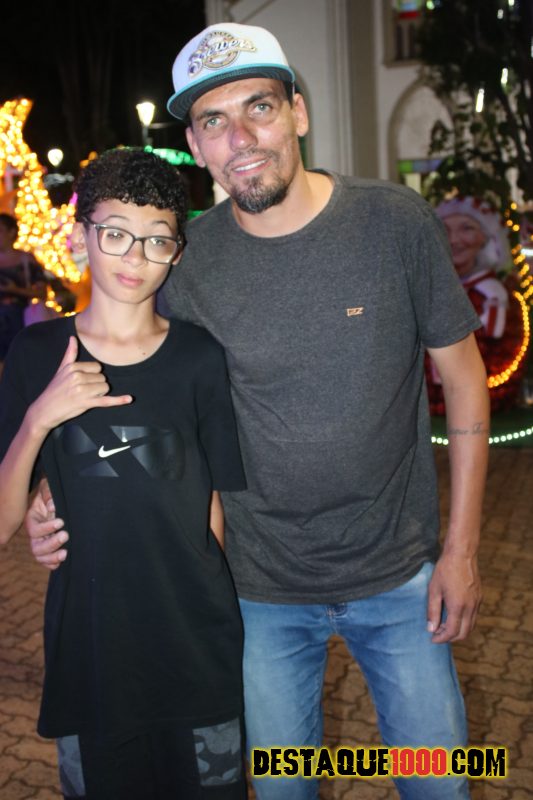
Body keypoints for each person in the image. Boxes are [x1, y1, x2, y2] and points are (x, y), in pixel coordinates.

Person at [26, 23, 489, 800]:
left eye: (259, 108)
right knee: (281, 790)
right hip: (255, 592)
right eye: (214, 121)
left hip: (401, 578)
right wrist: (52, 489)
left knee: (439, 784)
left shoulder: (393, 223)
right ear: (195, 146)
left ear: (298, 113)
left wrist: (462, 550)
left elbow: (465, 380)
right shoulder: (185, 259)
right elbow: (123, 373)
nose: (240, 138)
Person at [0, 148, 247, 800]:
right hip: (91, 652)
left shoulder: (199, 358)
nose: (135, 257)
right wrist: (39, 420)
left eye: (156, 240)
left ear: (176, 252)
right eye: (115, 233)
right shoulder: (37, 353)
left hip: (195, 649)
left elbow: (212, 510)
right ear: (82, 235)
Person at [427, 196, 525, 414]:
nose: (454, 240)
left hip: (482, 397)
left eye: (467, 228)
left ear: (486, 237)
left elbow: (494, 347)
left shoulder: (493, 293)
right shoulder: (433, 288)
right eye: (446, 230)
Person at [0, 212, 47, 373]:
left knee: (17, 363)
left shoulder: (25, 260)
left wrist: (15, 290)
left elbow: (42, 293)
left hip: (17, 319)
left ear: (11, 232)